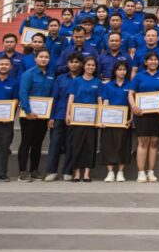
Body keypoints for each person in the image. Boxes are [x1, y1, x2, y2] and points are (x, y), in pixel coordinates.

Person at [130, 51, 159, 182]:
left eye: (155, 60)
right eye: (150, 60)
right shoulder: (139, 76)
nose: (153, 62)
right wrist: (134, 107)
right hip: (142, 114)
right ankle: (141, 172)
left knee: (154, 142)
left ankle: (151, 172)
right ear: (145, 62)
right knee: (143, 142)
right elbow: (130, 93)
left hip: (157, 114)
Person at [17, 48, 54, 181]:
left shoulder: (51, 75)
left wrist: (50, 114)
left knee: (38, 143)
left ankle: (34, 170)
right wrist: (28, 111)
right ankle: (22, 172)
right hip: (29, 115)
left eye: (46, 57)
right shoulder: (28, 74)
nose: (44, 59)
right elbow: (23, 93)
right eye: (41, 57)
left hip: (43, 115)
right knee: (26, 142)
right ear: (35, 59)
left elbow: (51, 95)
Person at [44, 53, 81, 182]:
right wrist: (51, 116)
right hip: (59, 114)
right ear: (67, 64)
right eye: (71, 62)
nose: (74, 64)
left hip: (75, 116)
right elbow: (54, 98)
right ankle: (52, 171)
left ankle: (67, 171)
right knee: (55, 143)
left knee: (71, 144)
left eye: (76, 62)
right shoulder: (60, 79)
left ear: (80, 64)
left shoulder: (83, 79)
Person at [67, 57, 102, 182]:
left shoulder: (98, 82)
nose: (90, 67)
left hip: (92, 119)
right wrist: (68, 114)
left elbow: (99, 100)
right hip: (77, 118)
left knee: (90, 145)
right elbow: (71, 98)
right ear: (84, 66)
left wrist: (99, 118)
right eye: (88, 65)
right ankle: (77, 173)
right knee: (77, 145)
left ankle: (87, 173)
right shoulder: (77, 81)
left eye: (93, 65)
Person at [99, 61, 133, 182]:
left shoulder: (130, 85)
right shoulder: (108, 85)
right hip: (109, 118)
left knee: (123, 145)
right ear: (115, 71)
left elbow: (132, 103)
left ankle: (120, 172)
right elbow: (105, 102)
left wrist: (131, 118)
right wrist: (103, 118)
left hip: (124, 119)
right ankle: (110, 172)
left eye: (124, 69)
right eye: (119, 69)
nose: (122, 72)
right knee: (109, 145)